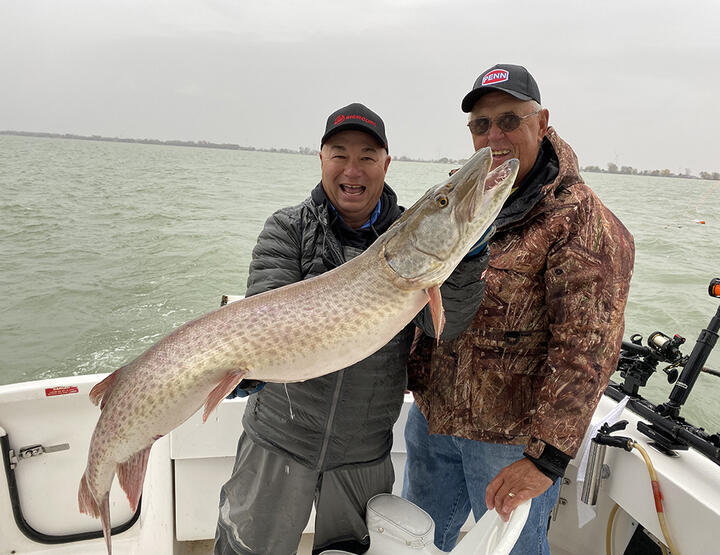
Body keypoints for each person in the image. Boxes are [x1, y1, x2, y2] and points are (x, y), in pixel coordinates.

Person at [214, 103, 489, 555]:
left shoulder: (411, 239)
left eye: (366, 155)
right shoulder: (287, 229)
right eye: (339, 154)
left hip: (363, 452)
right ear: (321, 159)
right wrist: (252, 366)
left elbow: (448, 326)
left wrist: (465, 260)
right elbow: (266, 313)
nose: (352, 169)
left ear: (386, 163)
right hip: (279, 440)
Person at [402, 64, 635, 554]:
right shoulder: (468, 197)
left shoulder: (581, 220)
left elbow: (587, 350)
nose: (495, 136)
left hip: (510, 442)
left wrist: (545, 459)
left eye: (509, 120)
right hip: (433, 420)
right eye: (481, 125)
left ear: (542, 121)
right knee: (416, 543)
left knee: (514, 550)